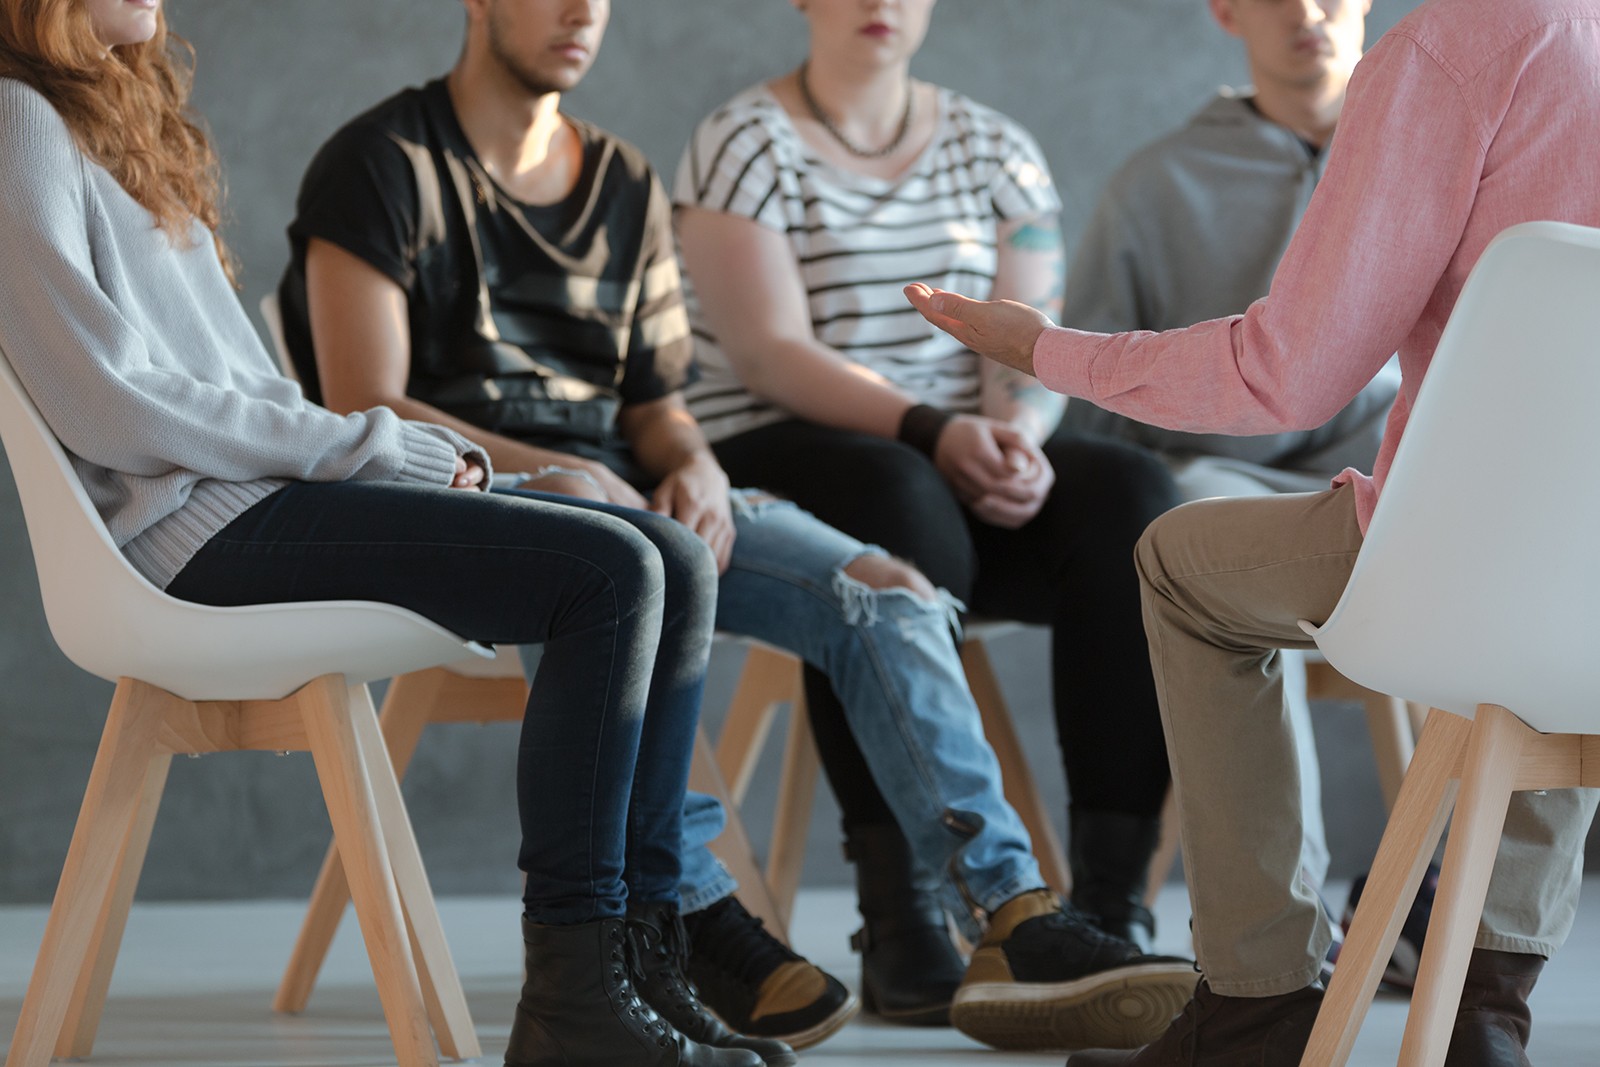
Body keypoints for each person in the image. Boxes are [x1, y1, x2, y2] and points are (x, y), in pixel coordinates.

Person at [278, 0, 1198, 1054]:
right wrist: (561, 467)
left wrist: (697, 468)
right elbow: (367, 401)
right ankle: (691, 909)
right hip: (463, 497)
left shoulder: (619, 176)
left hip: (626, 495)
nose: (583, 12)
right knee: (603, 550)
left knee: (882, 587)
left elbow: (658, 401)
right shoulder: (379, 163)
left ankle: (1011, 913)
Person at [0, 3, 764, 1066]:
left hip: (251, 500)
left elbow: (241, 384)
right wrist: (374, 447)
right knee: (611, 571)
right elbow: (110, 403)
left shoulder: (119, 115)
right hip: (189, 534)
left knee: (670, 555)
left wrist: (378, 456)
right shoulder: (17, 119)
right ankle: (575, 990)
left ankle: (640, 958)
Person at [905, 0, 1600, 1062]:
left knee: (1180, 561)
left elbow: (1290, 375)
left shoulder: (1452, 49)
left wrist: (1047, 350)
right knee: (1560, 620)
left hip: (1452, 551)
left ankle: (1259, 997)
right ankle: (1484, 1013)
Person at [673, 0, 1184, 998]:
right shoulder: (741, 142)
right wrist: (929, 431)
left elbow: (1024, 340)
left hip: (955, 464)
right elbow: (766, 351)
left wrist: (1017, 440)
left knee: (1131, 491)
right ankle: (902, 913)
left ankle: (1107, 904)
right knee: (891, 497)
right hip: (789, 457)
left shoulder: (995, 148)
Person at [1059, 0, 1402, 933]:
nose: (1307, 15)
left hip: (1399, 468)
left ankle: (1430, 901)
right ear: (1225, 13)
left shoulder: (1428, 152)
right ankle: (1290, 937)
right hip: (1222, 467)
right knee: (1201, 535)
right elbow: (1092, 395)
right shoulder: (1156, 183)